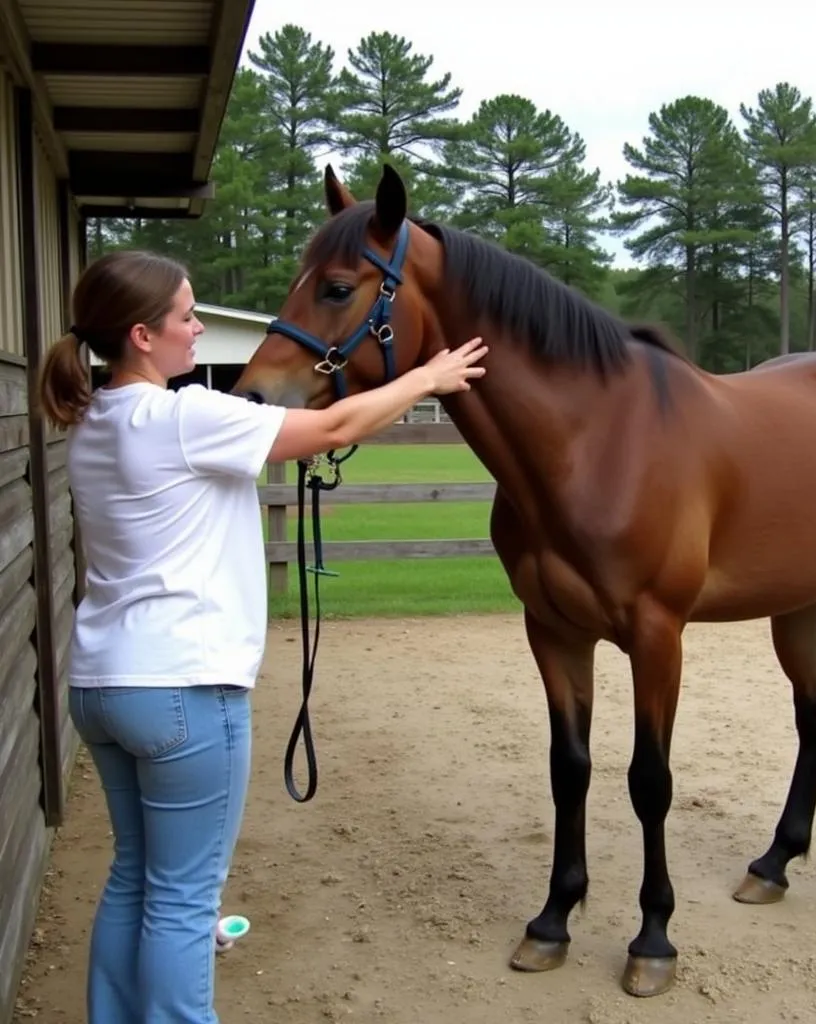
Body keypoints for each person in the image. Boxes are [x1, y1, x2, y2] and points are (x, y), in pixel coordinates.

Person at [38, 249, 487, 1024]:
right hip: (183, 686)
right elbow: (337, 422)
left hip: (101, 684)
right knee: (183, 900)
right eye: (187, 316)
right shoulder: (184, 417)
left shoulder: (90, 425)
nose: (199, 328)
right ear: (143, 336)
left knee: (134, 877)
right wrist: (427, 377)